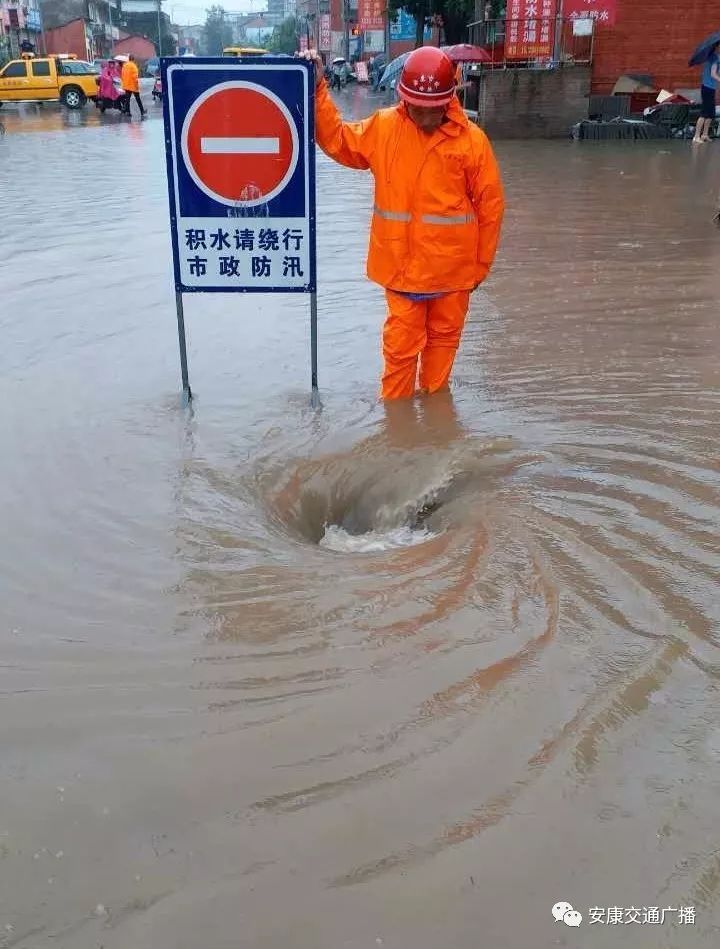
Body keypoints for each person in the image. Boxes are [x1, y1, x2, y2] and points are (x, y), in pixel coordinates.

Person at [301, 45, 504, 400]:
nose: (426, 117)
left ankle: (434, 422)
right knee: (399, 351)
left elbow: (491, 208)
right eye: (418, 108)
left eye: (433, 109)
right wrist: (318, 89)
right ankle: (396, 424)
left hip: (453, 274)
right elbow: (337, 141)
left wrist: (479, 268)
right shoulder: (384, 128)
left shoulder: (472, 143)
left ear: (448, 101)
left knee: (442, 347)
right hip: (403, 270)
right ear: (403, 99)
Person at [693, 43, 720, 143]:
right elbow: (713, 74)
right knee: (705, 113)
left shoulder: (714, 58)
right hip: (707, 88)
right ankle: (696, 136)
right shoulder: (714, 59)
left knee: (710, 113)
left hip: (710, 88)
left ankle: (704, 135)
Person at [120, 54, 146, 118]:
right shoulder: (134, 66)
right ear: (133, 59)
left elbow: (122, 76)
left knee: (127, 99)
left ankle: (128, 112)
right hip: (133, 86)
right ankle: (142, 111)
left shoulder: (124, 66)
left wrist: (124, 83)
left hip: (126, 85)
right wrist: (137, 86)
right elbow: (135, 77)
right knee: (138, 99)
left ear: (129, 59)